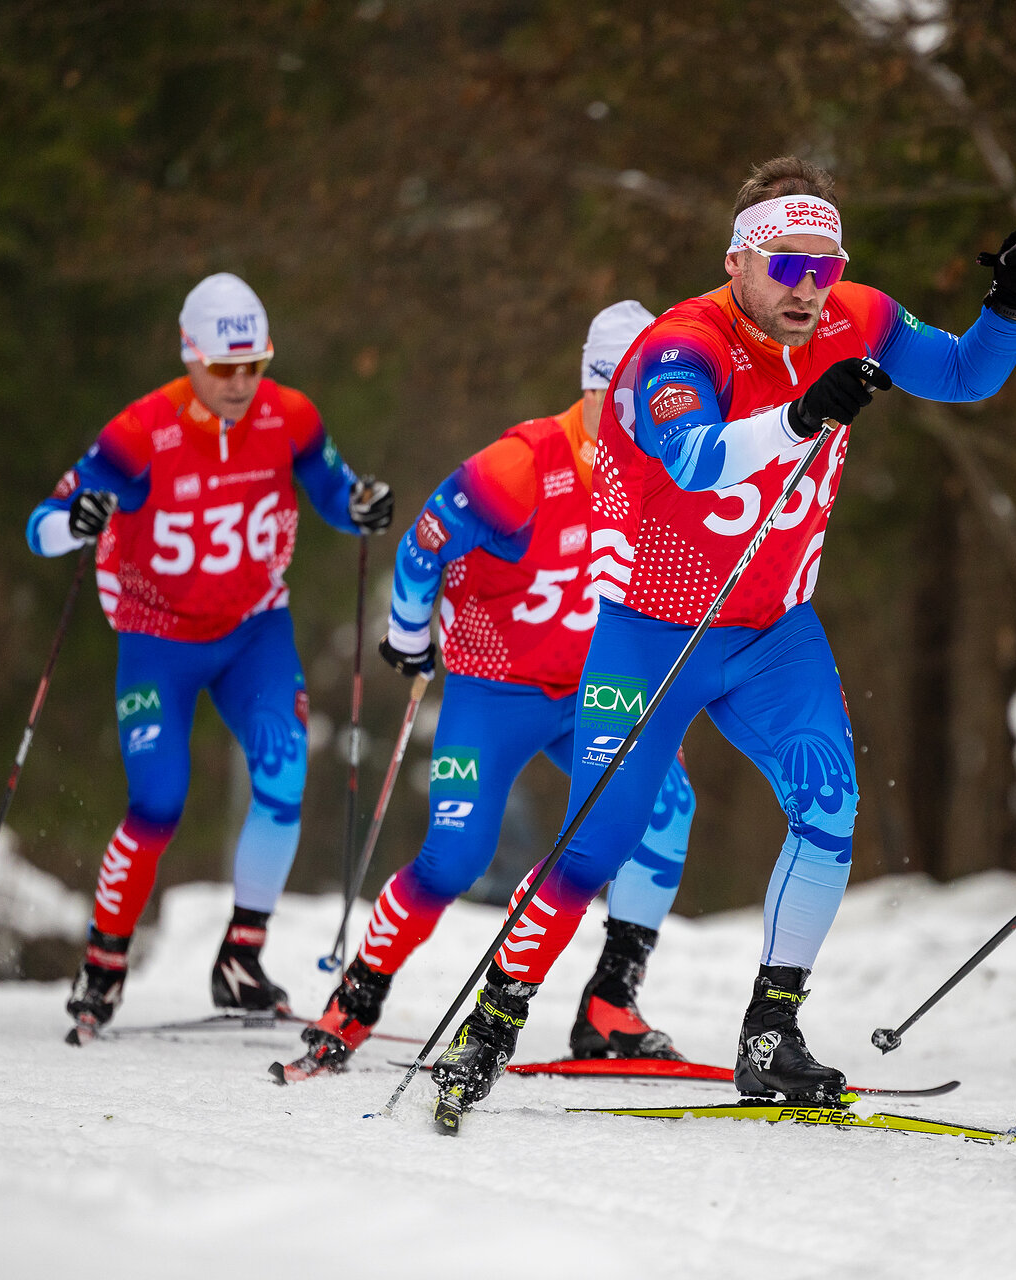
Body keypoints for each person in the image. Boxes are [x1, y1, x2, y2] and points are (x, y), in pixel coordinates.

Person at [428, 156, 1016, 1121]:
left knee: (829, 808)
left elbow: (968, 376)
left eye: (825, 266)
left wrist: (1007, 303)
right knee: (600, 841)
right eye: (787, 267)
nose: (809, 288)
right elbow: (693, 460)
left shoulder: (857, 316)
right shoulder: (681, 346)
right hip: (651, 634)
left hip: (772, 631)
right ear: (738, 262)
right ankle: (494, 1022)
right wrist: (801, 416)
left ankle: (772, 1033)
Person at [281, 301, 701, 1080]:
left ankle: (611, 1003)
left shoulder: (675, 466)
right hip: (494, 690)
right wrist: (409, 637)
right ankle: (359, 995)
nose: (651, 419)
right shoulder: (519, 468)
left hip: (594, 690)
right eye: (631, 398)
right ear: (596, 386)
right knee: (456, 858)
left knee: (668, 806)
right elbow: (420, 549)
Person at [28, 273, 396, 1040]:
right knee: (157, 805)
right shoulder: (141, 429)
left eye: (254, 365)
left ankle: (241, 958)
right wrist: (76, 520)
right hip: (156, 638)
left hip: (253, 633)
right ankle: (104, 962)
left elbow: (332, 490)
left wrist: (360, 503)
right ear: (190, 355)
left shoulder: (290, 415)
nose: (239, 383)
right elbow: (44, 525)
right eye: (224, 367)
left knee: (284, 777)